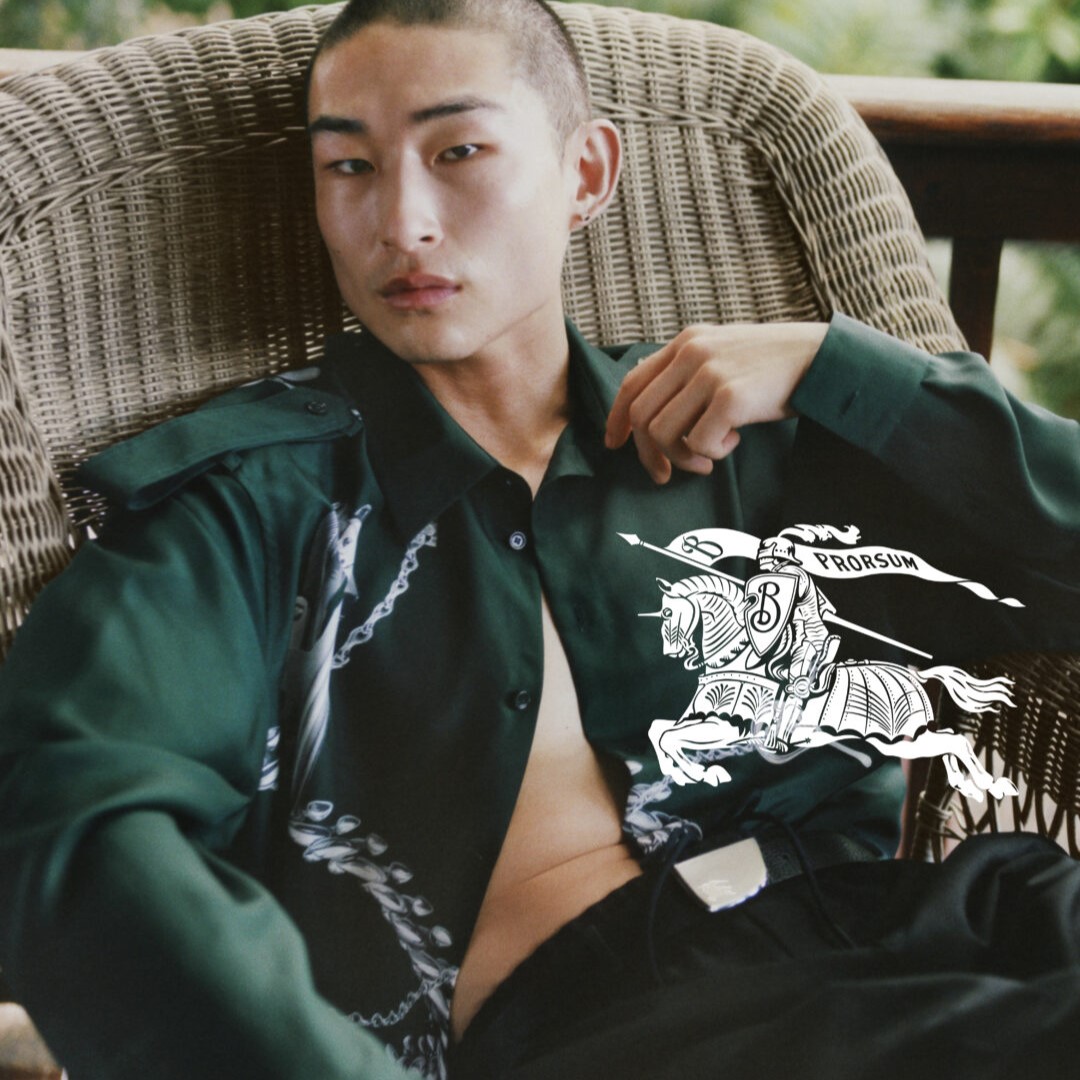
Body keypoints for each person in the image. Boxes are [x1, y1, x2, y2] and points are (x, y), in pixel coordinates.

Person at [0, 1, 1078, 1078]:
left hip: (950, 930)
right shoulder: (251, 504)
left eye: (458, 152)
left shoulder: (749, 434)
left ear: (586, 174)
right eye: (349, 168)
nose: (402, 224)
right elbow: (78, 827)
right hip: (637, 1028)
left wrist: (840, 370)